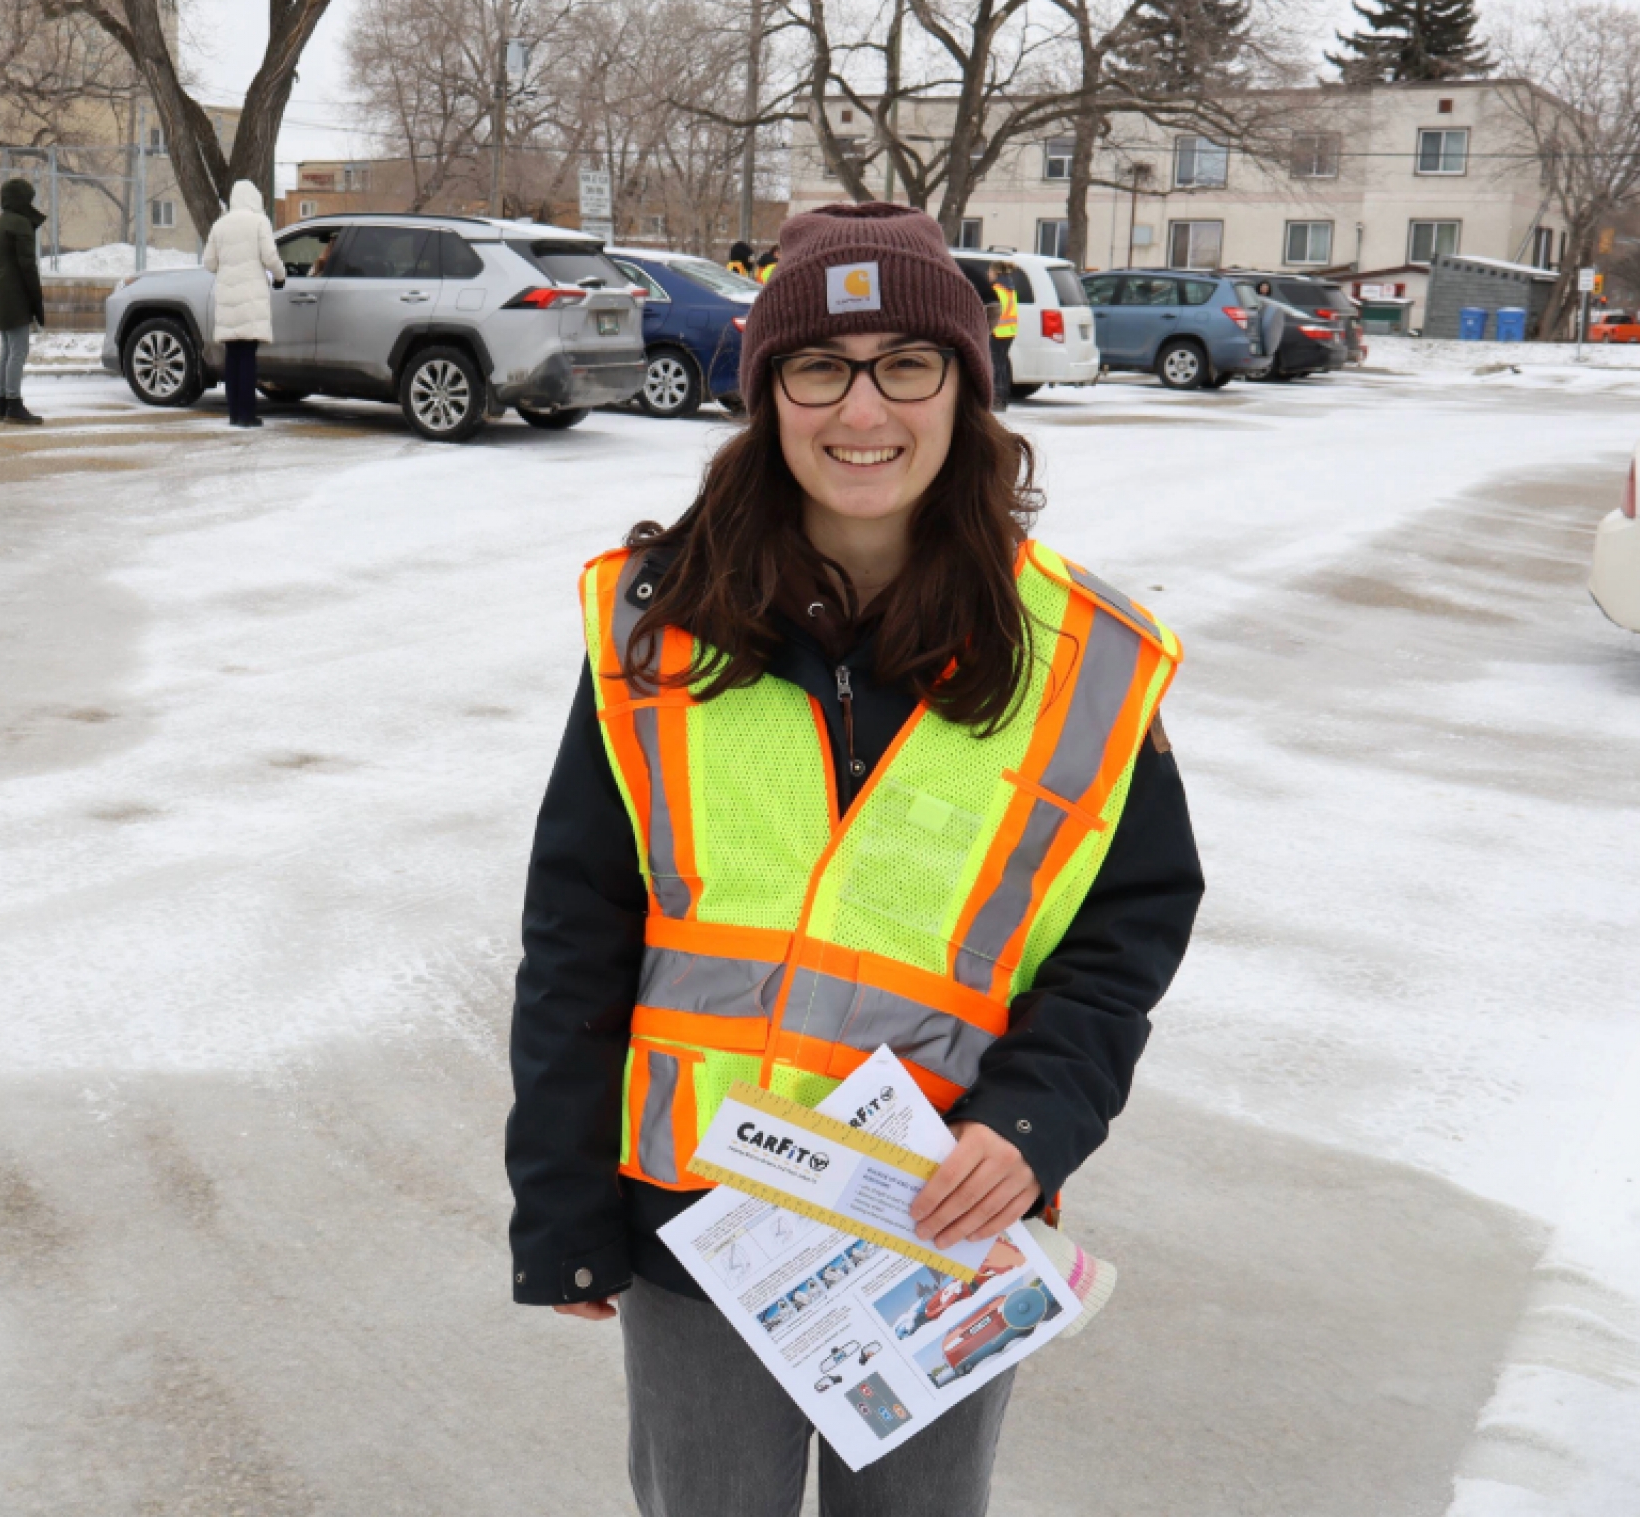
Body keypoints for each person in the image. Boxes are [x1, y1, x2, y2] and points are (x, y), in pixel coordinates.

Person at [507, 200, 1204, 1517]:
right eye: (820, 366)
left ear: (965, 388)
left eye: (907, 362)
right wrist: (563, 1200)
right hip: (700, 1217)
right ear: (767, 395)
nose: (863, 407)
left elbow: (1124, 933)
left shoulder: (1083, 658)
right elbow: (578, 929)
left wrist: (1032, 1120)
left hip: (936, 1210)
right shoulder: (664, 631)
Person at [202, 179, 285, 427]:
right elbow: (270, 256)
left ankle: (234, 413)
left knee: (232, 357)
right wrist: (280, 276)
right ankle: (248, 415)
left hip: (227, 296)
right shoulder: (260, 222)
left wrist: (226, 267)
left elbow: (209, 263)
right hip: (251, 297)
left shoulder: (219, 226)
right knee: (248, 356)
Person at [0, 178, 46, 425]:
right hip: (16, 294)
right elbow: (28, 267)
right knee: (18, 351)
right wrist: (36, 300)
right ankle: (14, 405)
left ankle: (1, 404)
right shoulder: (21, 224)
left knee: (7, 351)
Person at [987, 260, 1019, 409]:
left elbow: (997, 311)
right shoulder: (1010, 289)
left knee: (996, 364)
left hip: (998, 331)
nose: (988, 274)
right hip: (1010, 331)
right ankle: (1003, 397)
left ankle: (997, 398)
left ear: (996, 273)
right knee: (1003, 364)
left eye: (990, 272)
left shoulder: (997, 289)